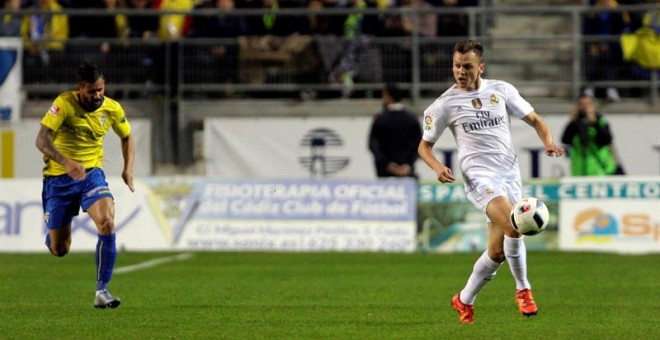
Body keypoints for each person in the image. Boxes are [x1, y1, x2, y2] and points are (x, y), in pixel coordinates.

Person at [417, 40, 564, 324]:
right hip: (479, 176)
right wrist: (437, 167)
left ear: (480, 67)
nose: (460, 71)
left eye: (467, 66)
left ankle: (464, 299)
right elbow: (424, 147)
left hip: (509, 175)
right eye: (456, 66)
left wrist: (547, 141)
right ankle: (524, 290)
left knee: (496, 252)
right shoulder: (443, 104)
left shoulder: (502, 90)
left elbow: (535, 119)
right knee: (515, 223)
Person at [35, 61, 135, 309]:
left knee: (107, 221)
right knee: (60, 249)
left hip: (91, 175)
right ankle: (53, 234)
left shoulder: (112, 108)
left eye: (100, 89)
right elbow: (42, 139)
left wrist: (128, 169)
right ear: (80, 88)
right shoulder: (64, 104)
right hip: (59, 180)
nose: (97, 95)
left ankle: (102, 290)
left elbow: (127, 136)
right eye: (92, 91)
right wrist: (65, 162)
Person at [560, 95, 624, 176]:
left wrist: (594, 123)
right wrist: (573, 122)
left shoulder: (600, 122)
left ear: (593, 106)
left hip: (600, 170)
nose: (585, 108)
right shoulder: (575, 124)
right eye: (582, 105)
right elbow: (565, 140)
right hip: (580, 171)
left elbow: (606, 140)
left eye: (588, 104)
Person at [368, 83, 422, 178]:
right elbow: (420, 145)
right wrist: (408, 164)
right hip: (407, 171)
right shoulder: (412, 119)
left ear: (387, 96)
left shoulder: (380, 119)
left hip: (385, 173)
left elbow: (373, 145)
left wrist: (388, 164)